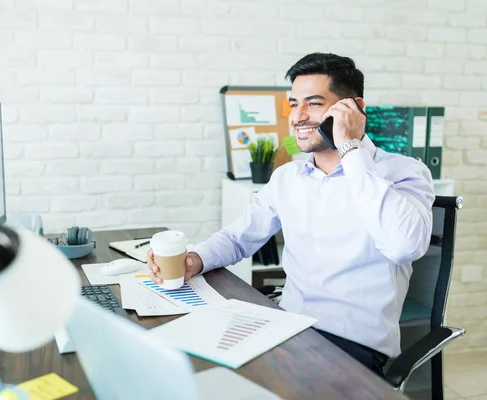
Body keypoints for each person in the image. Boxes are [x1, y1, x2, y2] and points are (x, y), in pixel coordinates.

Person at [147, 52, 435, 377]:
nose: (297, 116)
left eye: (313, 103)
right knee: (187, 368)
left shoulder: (401, 172)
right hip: (285, 326)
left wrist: (350, 148)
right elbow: (238, 236)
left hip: (353, 344)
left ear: (352, 108)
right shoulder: (288, 177)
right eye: (293, 103)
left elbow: (404, 245)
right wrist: (195, 259)